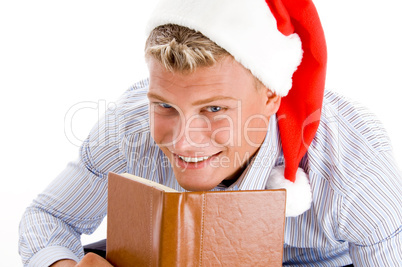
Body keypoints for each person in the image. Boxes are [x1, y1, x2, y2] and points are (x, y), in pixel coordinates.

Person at [19, 0, 402, 266]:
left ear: (272, 96)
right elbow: (49, 216)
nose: (184, 142)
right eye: (165, 106)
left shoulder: (354, 174)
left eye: (214, 109)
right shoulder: (129, 127)